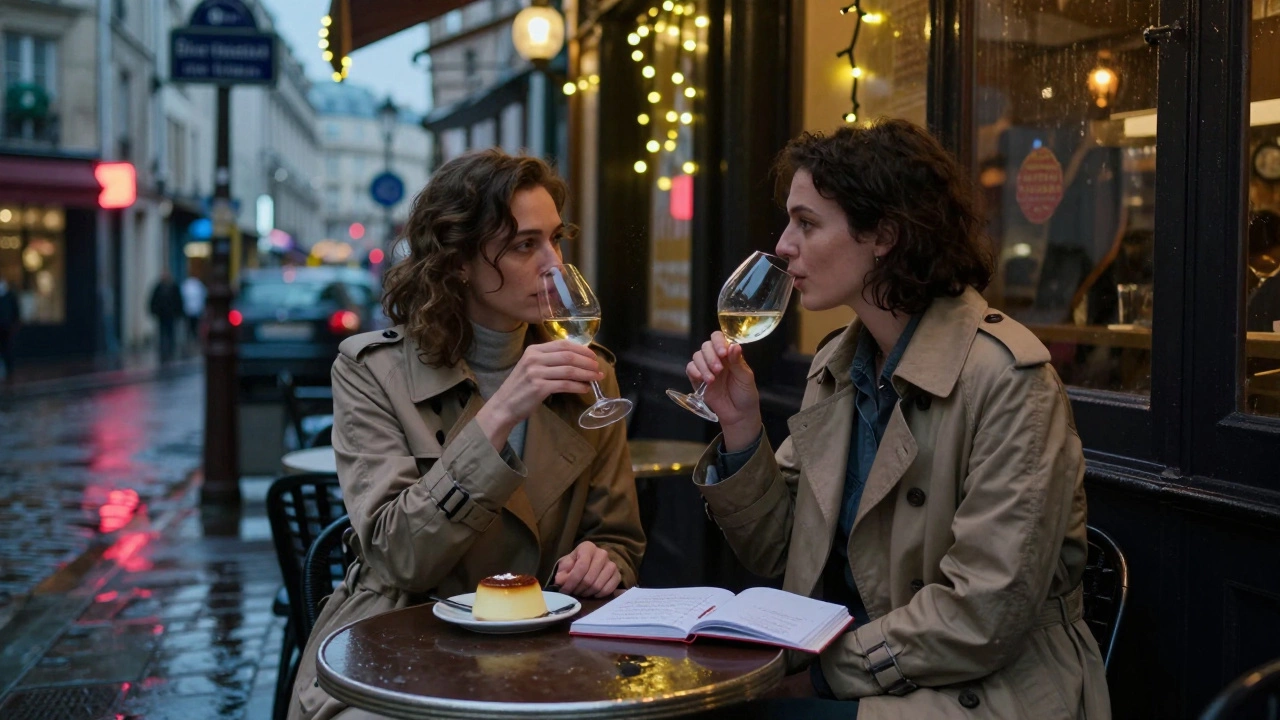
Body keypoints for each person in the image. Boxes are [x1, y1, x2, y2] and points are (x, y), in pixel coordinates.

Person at [683, 119, 1110, 719]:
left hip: (982, 691)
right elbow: (783, 554)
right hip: (871, 666)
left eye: (806, 222)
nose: (783, 243)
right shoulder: (839, 363)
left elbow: (982, 615)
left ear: (883, 234)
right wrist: (741, 428)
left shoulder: (1009, 379)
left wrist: (819, 677)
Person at [288, 150, 646, 720]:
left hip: (547, 640)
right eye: (525, 245)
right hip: (402, 640)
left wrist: (603, 560)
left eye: (556, 239)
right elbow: (400, 555)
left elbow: (621, 539)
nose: (553, 265)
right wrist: (500, 410)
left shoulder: (586, 371)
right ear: (457, 261)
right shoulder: (371, 370)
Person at [148, 272, 183, 363]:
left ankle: (170, 348)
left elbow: (178, 301)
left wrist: (178, 312)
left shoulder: (173, 287)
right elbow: (154, 300)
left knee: (170, 332)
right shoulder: (159, 288)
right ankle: (163, 349)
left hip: (170, 315)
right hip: (162, 315)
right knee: (163, 332)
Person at [180, 274, 206, 350]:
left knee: (192, 327)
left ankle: (192, 340)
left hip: (192, 311)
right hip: (191, 311)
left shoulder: (189, 285)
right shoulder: (194, 285)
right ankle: (191, 341)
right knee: (191, 327)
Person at [0, 278, 19, 381]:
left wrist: (14, 325)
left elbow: (15, 311)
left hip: (7, 328)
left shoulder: (10, 296)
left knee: (7, 349)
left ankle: (9, 371)